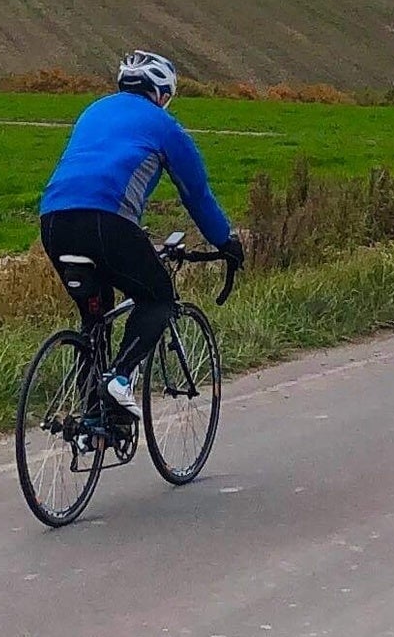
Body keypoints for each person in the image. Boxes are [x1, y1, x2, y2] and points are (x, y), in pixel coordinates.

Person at [38, 51, 243, 421]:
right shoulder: (164, 126)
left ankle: (94, 421)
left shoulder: (94, 111)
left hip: (53, 221)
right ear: (162, 94)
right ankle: (119, 378)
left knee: (95, 318)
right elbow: (196, 194)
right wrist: (225, 242)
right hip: (106, 221)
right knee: (157, 296)